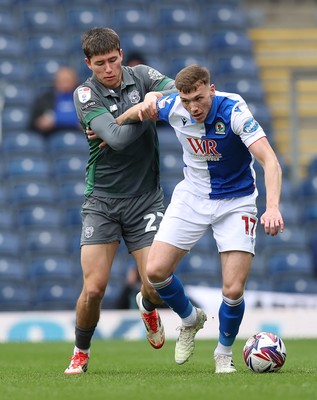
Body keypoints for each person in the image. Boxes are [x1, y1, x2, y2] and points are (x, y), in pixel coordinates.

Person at [131, 64, 284, 373]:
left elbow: (270, 161)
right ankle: (190, 318)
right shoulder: (173, 105)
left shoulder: (234, 110)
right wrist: (104, 130)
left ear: (210, 90)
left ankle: (223, 354)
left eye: (199, 98)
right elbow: (137, 112)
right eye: (187, 101)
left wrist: (273, 207)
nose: (193, 107)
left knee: (233, 289)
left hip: (237, 201)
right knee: (155, 271)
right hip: (193, 196)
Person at [64, 27, 176, 375]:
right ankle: (81, 352)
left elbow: (176, 91)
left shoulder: (142, 75)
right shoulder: (84, 93)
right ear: (89, 64)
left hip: (145, 199)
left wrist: (137, 110)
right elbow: (116, 139)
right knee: (94, 288)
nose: (108, 69)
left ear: (121, 54)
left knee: (155, 286)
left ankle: (146, 306)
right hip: (103, 201)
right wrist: (147, 110)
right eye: (100, 64)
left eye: (113, 60)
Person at [29, 66, 81, 136]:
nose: (65, 84)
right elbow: (32, 123)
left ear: (74, 81)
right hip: (52, 135)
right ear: (56, 81)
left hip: (80, 136)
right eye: (62, 81)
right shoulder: (45, 99)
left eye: (68, 81)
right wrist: (41, 123)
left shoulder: (85, 98)